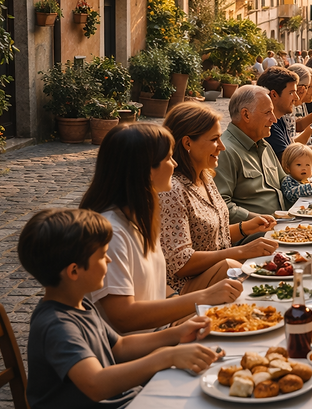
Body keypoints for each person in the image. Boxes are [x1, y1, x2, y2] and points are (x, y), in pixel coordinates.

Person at [20, 208, 222, 409]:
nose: (109, 260)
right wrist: (167, 357)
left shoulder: (80, 304)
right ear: (74, 271)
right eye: (102, 255)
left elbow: (120, 346)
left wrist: (177, 334)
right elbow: (96, 384)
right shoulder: (57, 325)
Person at [79, 124, 244, 335]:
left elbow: (154, 283)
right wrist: (204, 297)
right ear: (147, 170)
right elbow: (123, 318)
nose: (175, 164)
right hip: (143, 346)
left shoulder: (140, 216)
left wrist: (179, 304)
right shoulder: (112, 233)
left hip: (162, 331)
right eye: (168, 158)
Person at [160, 103, 278, 294]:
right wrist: (242, 251)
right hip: (191, 290)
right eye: (215, 140)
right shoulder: (172, 190)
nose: (222, 147)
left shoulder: (205, 177)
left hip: (222, 277)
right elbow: (180, 263)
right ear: (188, 143)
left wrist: (245, 228)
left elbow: (211, 238)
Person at [215, 86, 290, 218]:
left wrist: (309, 187)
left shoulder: (263, 144)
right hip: (260, 229)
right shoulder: (224, 151)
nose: (274, 119)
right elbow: (221, 207)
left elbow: (284, 182)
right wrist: (258, 220)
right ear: (246, 115)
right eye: (268, 112)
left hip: (284, 222)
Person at [258, 67, 312, 161]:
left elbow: (291, 147)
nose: (296, 97)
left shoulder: (280, 119)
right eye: (291, 93)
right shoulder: (269, 125)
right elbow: (286, 161)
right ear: (274, 95)